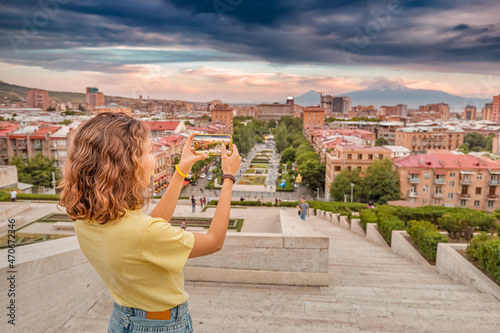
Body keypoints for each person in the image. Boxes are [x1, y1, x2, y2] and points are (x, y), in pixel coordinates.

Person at [58, 112, 241, 333]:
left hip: (122, 318)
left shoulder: (85, 219)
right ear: (128, 164)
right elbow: (214, 241)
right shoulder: (142, 232)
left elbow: (151, 228)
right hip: (161, 326)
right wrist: (228, 177)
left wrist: (181, 171)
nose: (153, 160)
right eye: (149, 152)